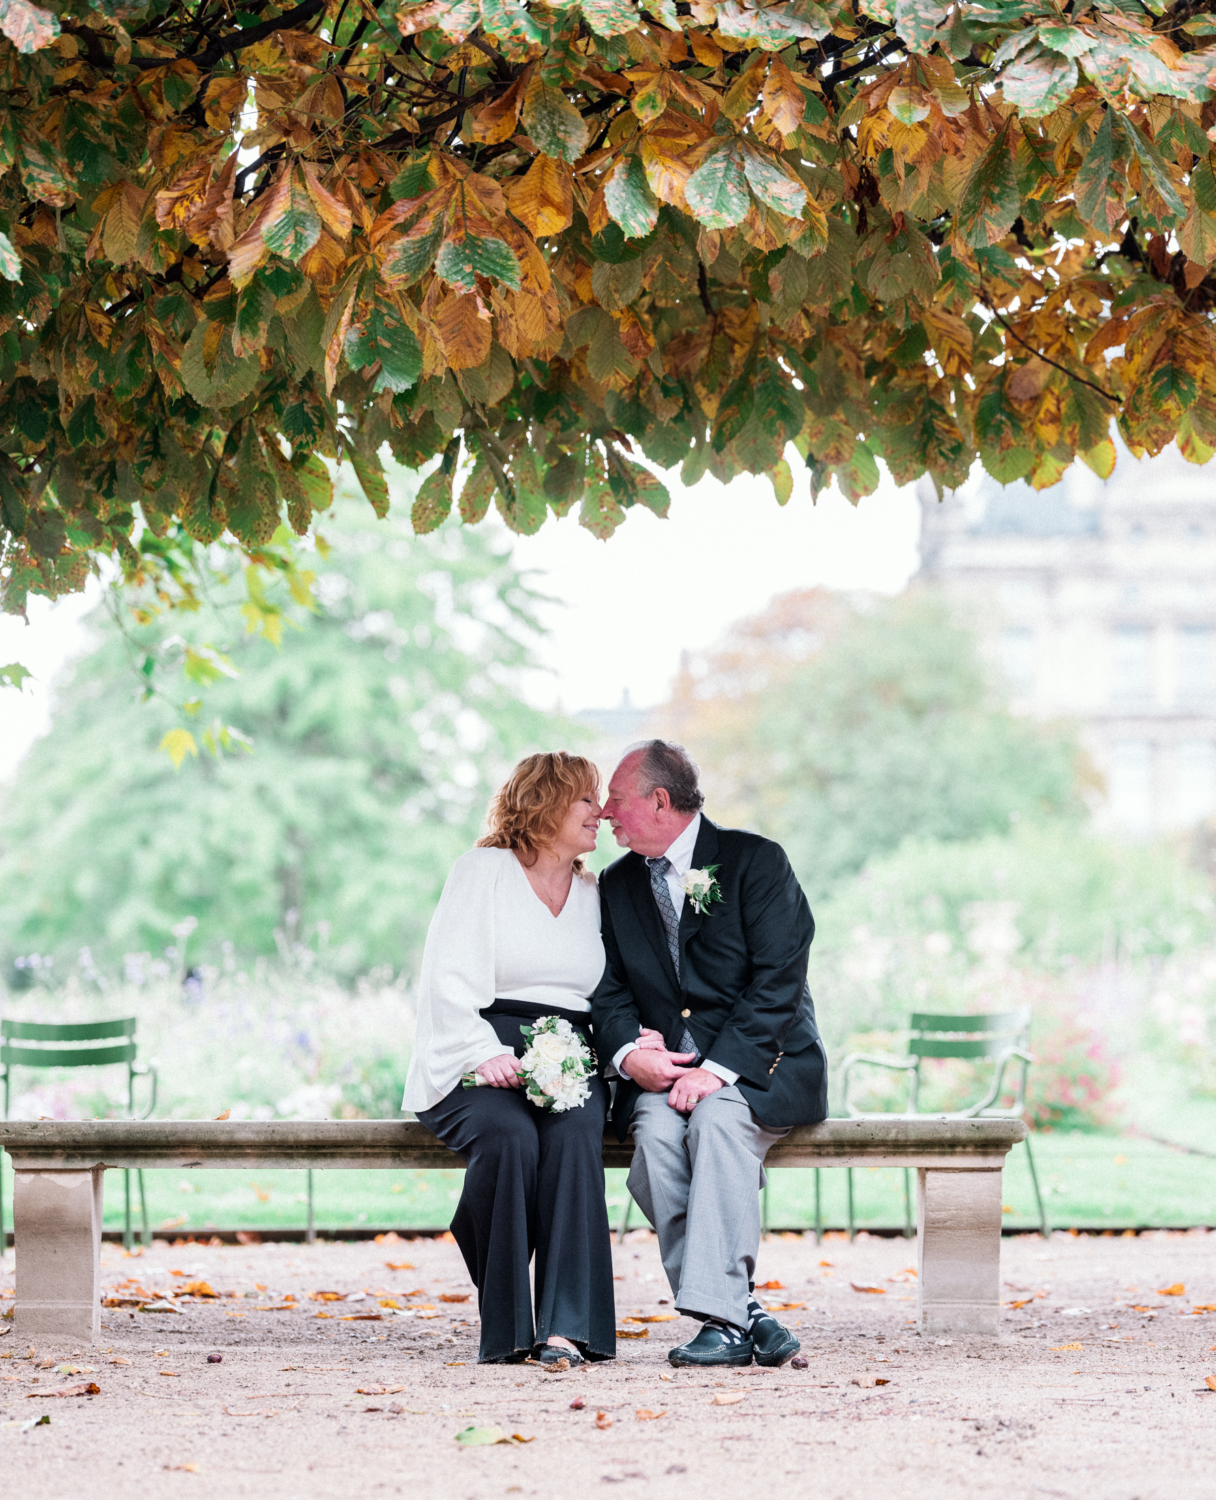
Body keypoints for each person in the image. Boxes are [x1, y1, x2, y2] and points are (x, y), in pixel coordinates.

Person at [592, 739, 828, 1368]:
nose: (605, 814)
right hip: (663, 1079)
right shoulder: (616, 885)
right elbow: (608, 991)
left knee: (720, 1121)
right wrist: (625, 1056)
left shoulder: (756, 862)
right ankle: (738, 1312)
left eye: (616, 801)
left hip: (760, 1067)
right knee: (656, 1138)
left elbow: (780, 978)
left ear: (659, 801)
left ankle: (720, 1319)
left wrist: (717, 1070)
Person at [403, 752, 617, 1366]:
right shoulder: (483, 871)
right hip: (476, 1044)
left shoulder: (592, 890)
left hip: (569, 1054)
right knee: (509, 1137)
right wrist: (483, 1051)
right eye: (586, 800)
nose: (599, 812)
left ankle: (567, 1330)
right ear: (545, 803)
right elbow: (445, 976)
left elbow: (607, 992)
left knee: (576, 1134)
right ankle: (508, 1328)